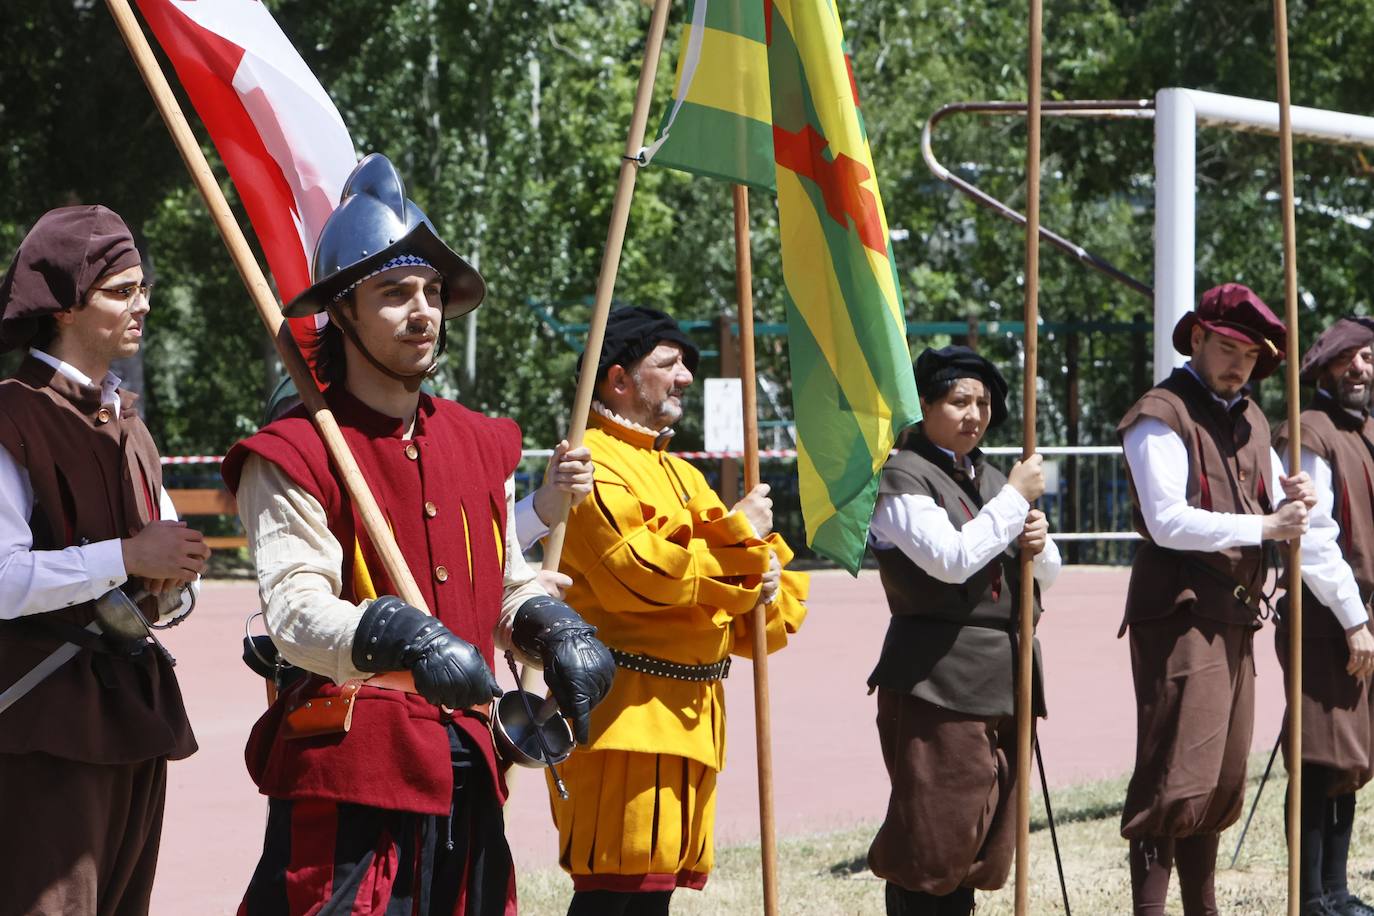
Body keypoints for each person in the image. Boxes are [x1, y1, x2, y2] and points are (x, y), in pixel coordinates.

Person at [221, 154, 616, 916]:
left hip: (468, 769)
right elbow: (297, 614)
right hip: (349, 784)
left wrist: (555, 627)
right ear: (342, 311)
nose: (423, 311)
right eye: (395, 294)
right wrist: (411, 640)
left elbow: (503, 581)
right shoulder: (297, 451)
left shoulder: (478, 440)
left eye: (432, 293)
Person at [540, 306, 808, 916]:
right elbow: (642, 574)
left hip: (691, 718)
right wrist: (738, 538)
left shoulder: (681, 473)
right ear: (618, 380)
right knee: (615, 897)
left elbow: (766, 607)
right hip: (624, 718)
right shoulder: (592, 464)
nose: (685, 376)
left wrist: (762, 577)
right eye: (669, 364)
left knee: (652, 899)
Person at [0, 205, 208, 914]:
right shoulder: (12, 415)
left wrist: (173, 577)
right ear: (62, 306)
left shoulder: (130, 426)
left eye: (143, 287)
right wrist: (128, 555)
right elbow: (1, 580)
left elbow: (165, 561)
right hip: (41, 724)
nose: (142, 303)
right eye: (121, 291)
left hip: (133, 712)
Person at [1117, 283, 1315, 916]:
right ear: (1196, 337)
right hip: (1180, 613)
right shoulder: (1159, 413)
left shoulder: (1253, 417)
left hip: (1236, 614)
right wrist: (1265, 527)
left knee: (1221, 781)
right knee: (1173, 779)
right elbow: (1167, 521)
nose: (1238, 362)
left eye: (1251, 354)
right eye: (1227, 346)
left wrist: (1290, 504)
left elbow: (1259, 507)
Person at [864, 345, 1061, 916]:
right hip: (937, 678)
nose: (975, 414)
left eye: (984, 402)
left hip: (1005, 674)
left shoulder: (995, 477)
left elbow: (1048, 575)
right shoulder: (902, 475)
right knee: (932, 843)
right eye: (958, 401)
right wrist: (1011, 504)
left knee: (982, 841)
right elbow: (949, 559)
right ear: (923, 405)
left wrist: (1038, 542)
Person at [1274, 318, 1374, 916]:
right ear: (1322, 370)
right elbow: (1313, 540)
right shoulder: (1309, 432)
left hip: (1361, 617)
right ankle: (1311, 897)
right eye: (1346, 360)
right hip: (1326, 614)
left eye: (1367, 357)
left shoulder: (1363, 430)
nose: (1359, 369)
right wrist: (1354, 618)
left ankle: (1336, 890)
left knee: (1353, 758)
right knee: (1321, 757)